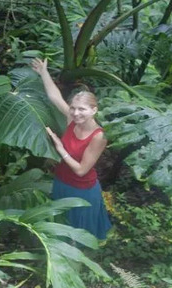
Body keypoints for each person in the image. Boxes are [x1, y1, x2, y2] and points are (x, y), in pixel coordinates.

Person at [31, 57, 112, 240]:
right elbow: (55, 97)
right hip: (61, 181)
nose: (76, 113)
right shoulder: (72, 120)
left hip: (82, 189)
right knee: (62, 226)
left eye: (82, 109)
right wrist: (44, 72)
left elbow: (82, 170)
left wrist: (60, 148)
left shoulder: (99, 136)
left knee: (80, 233)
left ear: (94, 110)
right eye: (73, 108)